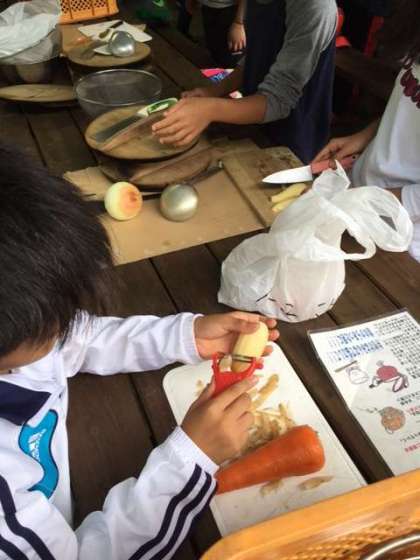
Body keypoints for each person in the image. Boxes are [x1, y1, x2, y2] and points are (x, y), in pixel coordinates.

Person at [0, 144, 279, 559]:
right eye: (54, 324)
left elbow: (80, 340)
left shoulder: (19, 337)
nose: (68, 328)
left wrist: (185, 336)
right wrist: (192, 457)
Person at [152, 0, 337, 163]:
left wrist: (210, 109)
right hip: (253, 121)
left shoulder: (314, 7)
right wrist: (215, 91)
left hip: (294, 136)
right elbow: (257, 55)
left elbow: (278, 100)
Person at [313, 0, 420, 261]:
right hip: (358, 199)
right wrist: (364, 136)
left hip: (396, 241)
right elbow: (409, 105)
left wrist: (359, 201)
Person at [187, 0, 246, 68]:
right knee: (213, 52)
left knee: (228, 62)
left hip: (233, 12)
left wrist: (239, 23)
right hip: (209, 7)